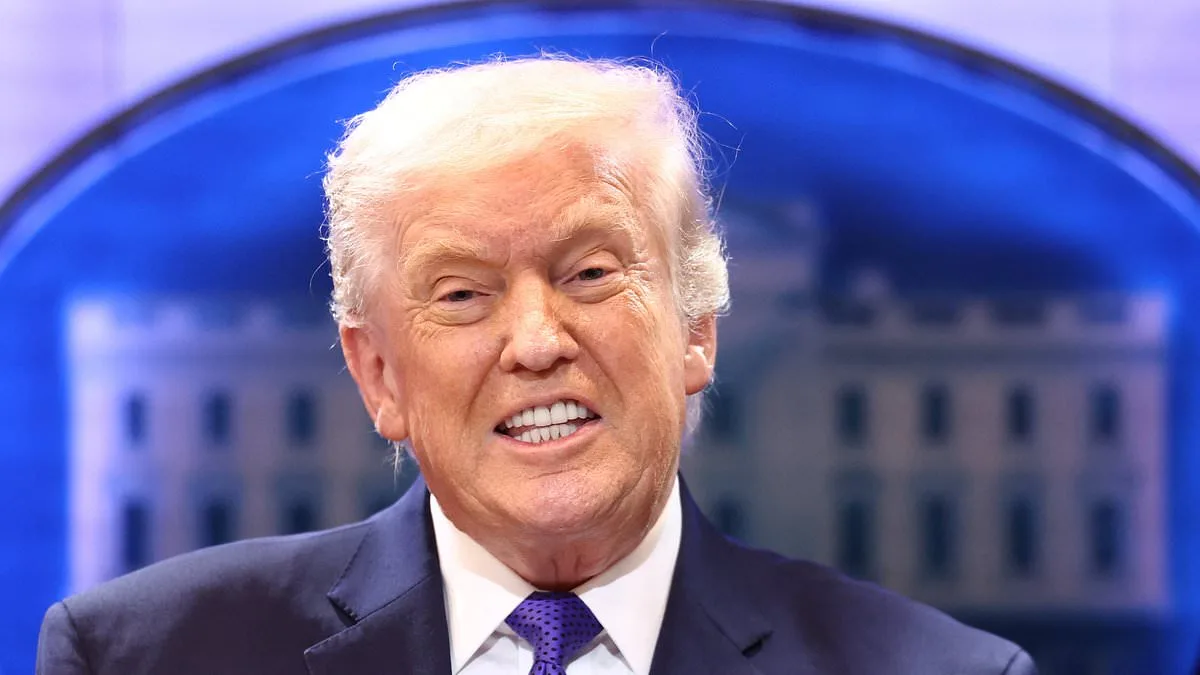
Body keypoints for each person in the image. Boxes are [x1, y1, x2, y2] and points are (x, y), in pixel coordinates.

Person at [36, 55, 1037, 675]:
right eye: (462, 294)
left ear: (696, 327)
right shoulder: (143, 656)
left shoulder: (944, 671)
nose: (537, 341)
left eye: (590, 273)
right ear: (378, 374)